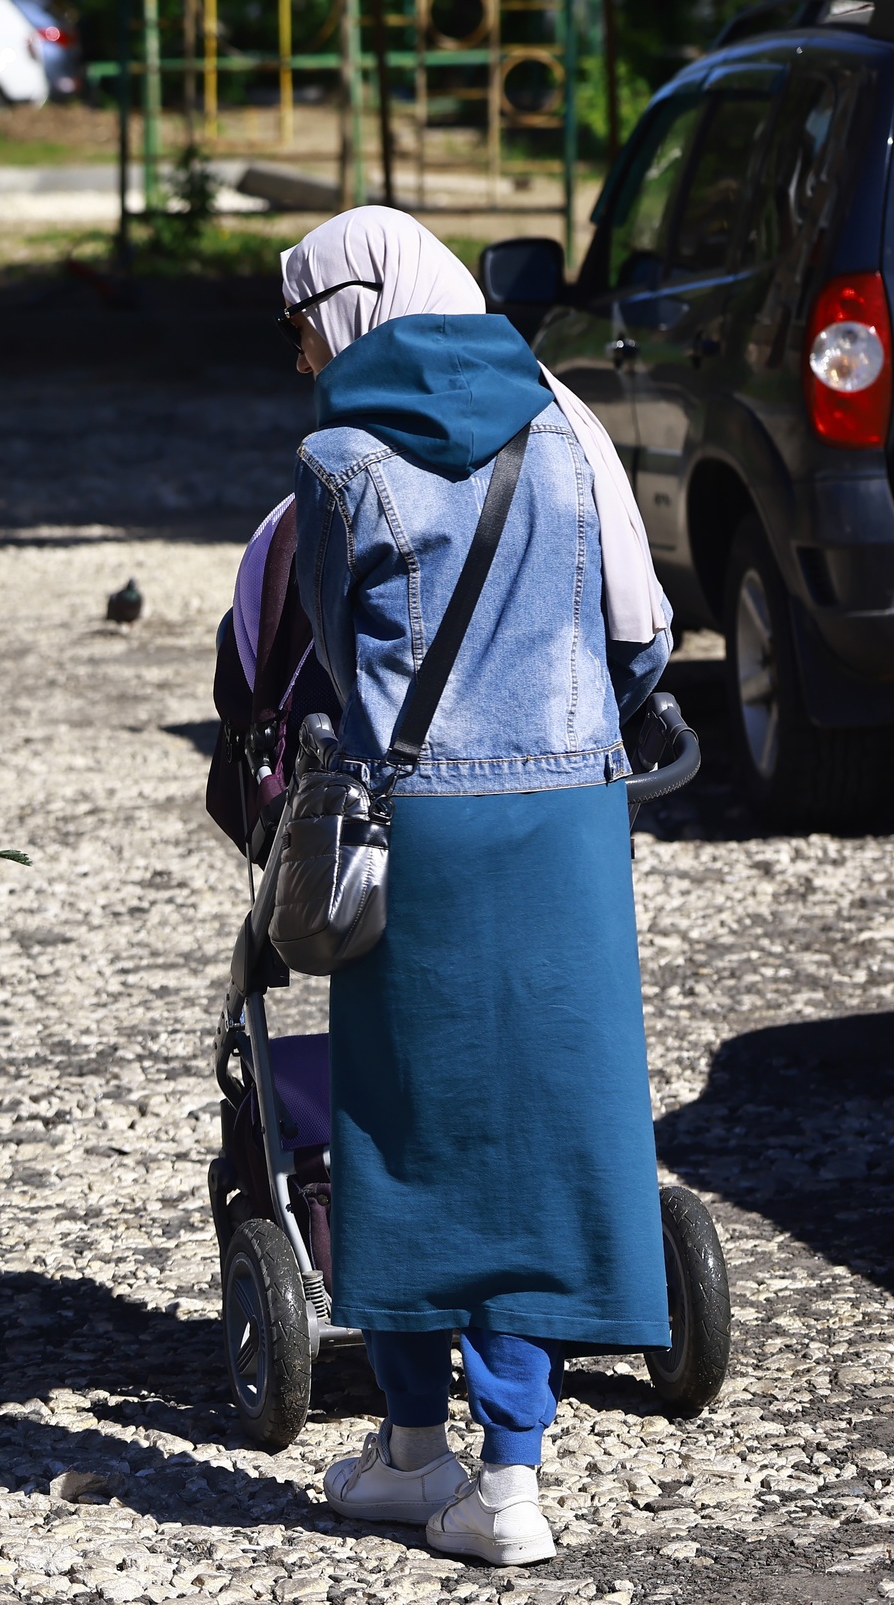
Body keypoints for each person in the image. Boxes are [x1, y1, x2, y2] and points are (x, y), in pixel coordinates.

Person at [279, 208, 673, 1565]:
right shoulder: (568, 426)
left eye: (302, 323)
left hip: (422, 831)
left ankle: (408, 1446)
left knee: (405, 1131)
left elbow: (337, 661)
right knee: (546, 1142)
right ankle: (510, 1483)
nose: (302, 353)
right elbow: (644, 634)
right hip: (568, 824)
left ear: (351, 306)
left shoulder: (335, 461)